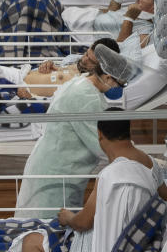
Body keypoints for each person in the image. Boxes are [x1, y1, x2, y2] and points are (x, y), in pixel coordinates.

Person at [0, 118, 165, 252]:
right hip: (132, 249)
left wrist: (68, 217)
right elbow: (164, 199)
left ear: (100, 135)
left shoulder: (110, 175)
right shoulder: (150, 164)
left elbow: (83, 223)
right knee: (33, 240)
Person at [13, 43, 135, 218]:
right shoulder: (85, 97)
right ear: (108, 78)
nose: (119, 90)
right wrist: (139, 160)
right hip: (55, 175)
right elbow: (105, 146)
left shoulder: (81, 84)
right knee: (44, 232)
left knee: (43, 229)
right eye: (120, 85)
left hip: (54, 166)